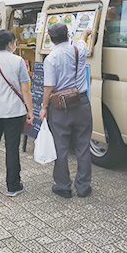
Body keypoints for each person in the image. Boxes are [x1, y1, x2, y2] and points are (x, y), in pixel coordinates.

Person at [39, 23, 92, 199]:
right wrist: (85, 32)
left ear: (50, 39)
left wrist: (43, 107)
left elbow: (48, 88)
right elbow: (83, 40)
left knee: (60, 148)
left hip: (60, 106)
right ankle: (83, 187)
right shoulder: (79, 50)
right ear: (68, 35)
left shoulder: (51, 59)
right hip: (81, 102)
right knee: (83, 145)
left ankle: (63, 186)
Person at [0, 30, 33, 197]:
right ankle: (13, 185)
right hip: (14, 112)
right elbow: (25, 89)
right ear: (10, 44)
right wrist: (30, 110)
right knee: (12, 148)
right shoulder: (18, 61)